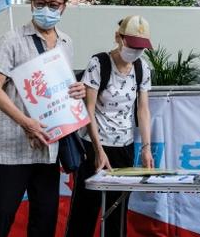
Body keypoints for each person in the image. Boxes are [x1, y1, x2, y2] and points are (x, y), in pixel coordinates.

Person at [0, 0, 86, 237]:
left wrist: (77, 91)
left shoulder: (66, 42)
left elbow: (62, 88)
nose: (47, 9)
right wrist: (25, 122)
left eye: (53, 4)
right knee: (3, 216)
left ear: (63, 7)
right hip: (15, 149)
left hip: (50, 147)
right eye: (40, 3)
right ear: (31, 5)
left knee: (45, 217)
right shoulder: (12, 40)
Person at [65, 15, 155, 237]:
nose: (135, 51)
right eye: (131, 45)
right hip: (94, 146)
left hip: (124, 147)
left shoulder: (142, 68)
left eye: (140, 47)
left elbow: (142, 109)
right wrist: (98, 151)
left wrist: (146, 147)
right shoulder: (100, 63)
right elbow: (90, 108)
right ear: (118, 37)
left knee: (117, 211)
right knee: (84, 211)